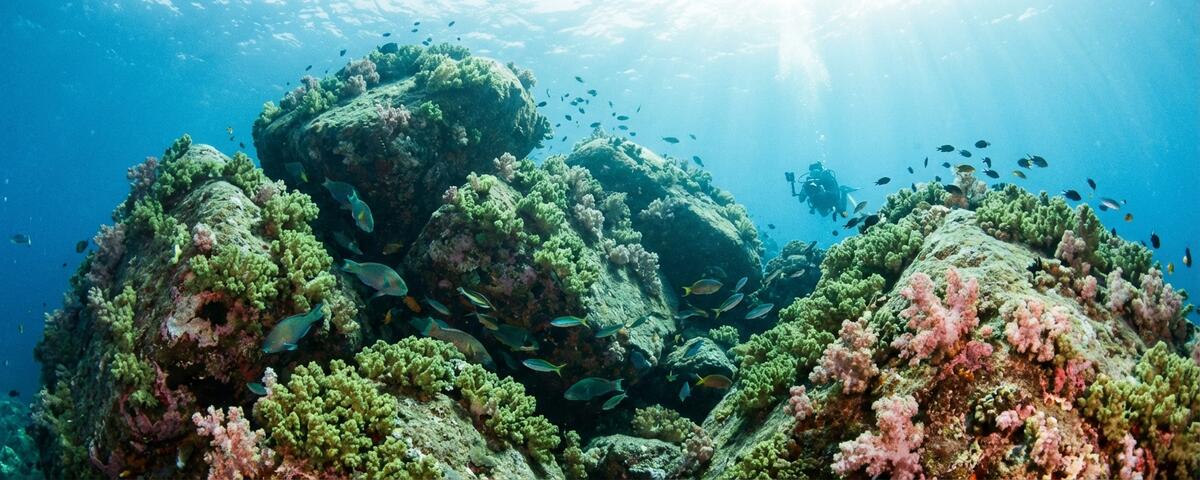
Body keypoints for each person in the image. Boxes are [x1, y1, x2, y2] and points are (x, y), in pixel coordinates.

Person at [788, 162, 853, 218]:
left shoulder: (824, 178)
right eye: (813, 172)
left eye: (815, 172)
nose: (814, 175)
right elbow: (801, 200)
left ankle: (844, 192)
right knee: (826, 214)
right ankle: (843, 193)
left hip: (830, 200)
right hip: (823, 204)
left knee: (843, 212)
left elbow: (801, 199)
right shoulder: (807, 184)